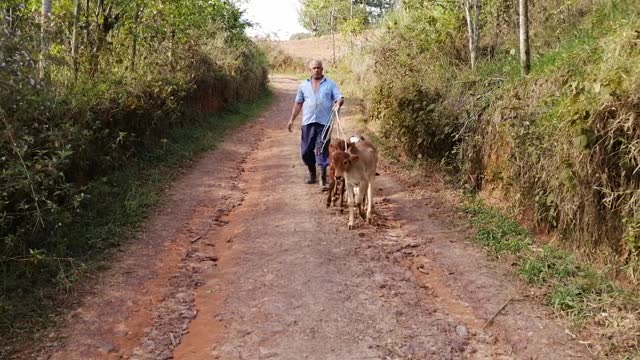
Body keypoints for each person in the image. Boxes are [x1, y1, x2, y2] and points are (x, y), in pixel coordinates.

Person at [287, 59, 344, 191]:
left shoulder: (330, 84)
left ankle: (322, 180)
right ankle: (312, 174)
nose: (316, 70)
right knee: (306, 151)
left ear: (322, 69)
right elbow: (298, 103)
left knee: (321, 149)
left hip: (324, 123)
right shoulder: (303, 86)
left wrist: (338, 103)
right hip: (308, 122)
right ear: (310, 70)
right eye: (314, 68)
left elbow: (340, 97)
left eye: (319, 68)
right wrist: (291, 119)